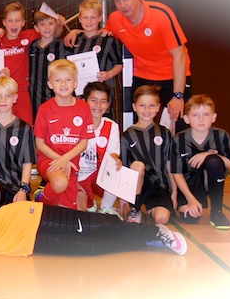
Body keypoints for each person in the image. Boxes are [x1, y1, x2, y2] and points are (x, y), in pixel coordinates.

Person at [0, 181, 187, 261]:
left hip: (31, 218)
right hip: (29, 244)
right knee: (90, 248)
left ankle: (154, 233)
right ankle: (144, 240)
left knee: (96, 225)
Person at [105, 0, 191, 131]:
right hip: (143, 75)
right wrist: (76, 32)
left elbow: (180, 56)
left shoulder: (161, 15)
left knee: (180, 126)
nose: (123, 5)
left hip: (172, 75)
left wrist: (178, 95)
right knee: (141, 126)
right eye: (118, 1)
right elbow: (100, 35)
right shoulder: (115, 19)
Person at [171, 94, 230, 229]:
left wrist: (209, 155)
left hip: (210, 181)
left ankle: (217, 212)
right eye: (195, 115)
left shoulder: (221, 136)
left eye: (206, 115)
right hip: (188, 185)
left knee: (213, 161)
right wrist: (190, 199)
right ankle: (189, 201)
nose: (201, 119)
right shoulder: (178, 139)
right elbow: (176, 173)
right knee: (190, 218)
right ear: (186, 118)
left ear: (214, 117)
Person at [33, 60, 94, 210]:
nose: (63, 84)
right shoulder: (45, 109)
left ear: (75, 83)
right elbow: (40, 143)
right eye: (58, 80)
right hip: (49, 159)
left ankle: (47, 199)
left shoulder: (84, 108)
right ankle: (41, 203)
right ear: (50, 84)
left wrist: (65, 159)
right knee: (60, 183)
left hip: (71, 161)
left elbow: (83, 142)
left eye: (68, 79)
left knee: (73, 211)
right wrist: (60, 160)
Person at [0, 76, 36, 209]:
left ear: (15, 98)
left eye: (8, 96)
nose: (3, 100)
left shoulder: (24, 128)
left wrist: (23, 189)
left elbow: (27, 162)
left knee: (18, 213)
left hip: (17, 185)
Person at [121, 85, 176, 225]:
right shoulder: (127, 136)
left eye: (151, 105)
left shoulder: (165, 133)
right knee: (137, 165)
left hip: (158, 187)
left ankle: (150, 208)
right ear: (134, 107)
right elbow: (124, 168)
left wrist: (174, 192)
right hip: (136, 186)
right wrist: (122, 197)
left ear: (158, 107)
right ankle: (136, 207)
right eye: (142, 105)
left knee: (162, 218)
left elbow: (170, 164)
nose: (147, 110)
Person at [77, 82, 122, 216]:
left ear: (108, 105)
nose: (98, 105)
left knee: (117, 166)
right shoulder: (75, 123)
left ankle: (106, 208)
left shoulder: (111, 126)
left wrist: (115, 160)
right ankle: (89, 203)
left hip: (100, 176)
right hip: (79, 177)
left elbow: (113, 153)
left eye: (103, 102)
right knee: (80, 212)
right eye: (93, 100)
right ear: (83, 102)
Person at [72, 0, 123, 99]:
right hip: (79, 93)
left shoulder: (108, 40)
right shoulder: (75, 40)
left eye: (93, 17)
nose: (89, 21)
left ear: (100, 18)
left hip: (102, 92)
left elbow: (119, 64)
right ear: (79, 19)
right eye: (85, 17)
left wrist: (109, 74)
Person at [29, 10, 69, 122]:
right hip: (36, 97)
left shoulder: (62, 45)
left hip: (56, 96)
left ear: (56, 25)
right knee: (39, 125)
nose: (47, 27)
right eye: (42, 24)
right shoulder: (32, 47)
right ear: (36, 28)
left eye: (50, 23)